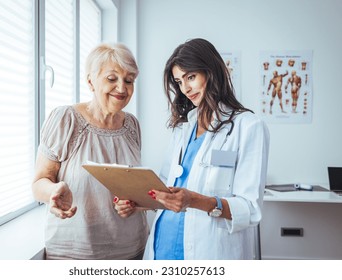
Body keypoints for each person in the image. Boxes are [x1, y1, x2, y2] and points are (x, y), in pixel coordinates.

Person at [129, 38, 269, 260]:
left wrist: (194, 200)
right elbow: (168, 188)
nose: (185, 88)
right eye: (179, 81)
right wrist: (138, 201)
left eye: (191, 77)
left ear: (211, 71)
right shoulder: (183, 128)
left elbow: (250, 209)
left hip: (209, 252)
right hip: (162, 246)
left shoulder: (249, 126)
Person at [31, 42, 148, 260]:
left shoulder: (132, 125)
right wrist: (54, 192)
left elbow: (129, 184)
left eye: (129, 80)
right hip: (75, 253)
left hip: (132, 249)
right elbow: (38, 184)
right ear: (90, 81)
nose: (122, 88)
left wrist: (132, 202)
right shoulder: (66, 119)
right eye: (112, 79)